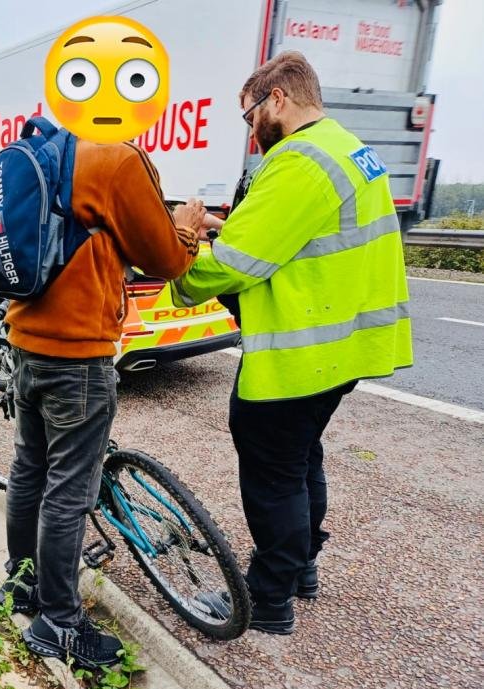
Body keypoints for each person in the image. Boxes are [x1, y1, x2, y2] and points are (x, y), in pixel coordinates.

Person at [172, 51, 413, 634]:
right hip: (342, 348)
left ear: (277, 98)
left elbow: (233, 267)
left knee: (272, 472)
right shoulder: (347, 148)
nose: (251, 132)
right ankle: (301, 567)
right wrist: (233, 225)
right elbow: (306, 237)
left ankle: (267, 599)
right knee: (302, 460)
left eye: (250, 114)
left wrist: (182, 254)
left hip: (299, 353)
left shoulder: (299, 160)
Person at [0, 138, 205, 669]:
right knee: (67, 492)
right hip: (77, 358)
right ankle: (60, 624)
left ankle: (22, 586)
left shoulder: (44, 152)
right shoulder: (116, 161)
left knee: (29, 472)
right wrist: (184, 227)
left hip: (26, 345)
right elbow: (165, 259)